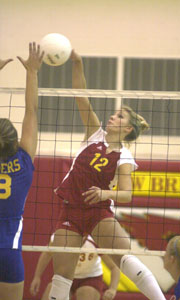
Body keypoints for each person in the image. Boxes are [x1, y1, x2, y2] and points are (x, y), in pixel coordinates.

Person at [48, 50, 166, 300]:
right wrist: (78, 63)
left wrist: (104, 192)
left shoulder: (124, 156)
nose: (113, 116)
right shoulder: (94, 133)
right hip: (70, 209)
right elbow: (81, 95)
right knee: (62, 274)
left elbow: (126, 194)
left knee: (123, 256)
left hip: (97, 210)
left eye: (119, 116)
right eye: (114, 114)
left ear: (128, 128)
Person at [0, 43, 44, 300]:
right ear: (15, 141)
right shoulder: (24, 159)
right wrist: (32, 72)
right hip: (8, 251)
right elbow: (31, 110)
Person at [30, 235, 120, 300]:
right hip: (65, 275)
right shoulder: (61, 236)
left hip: (90, 278)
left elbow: (114, 267)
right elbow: (47, 253)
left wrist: (112, 289)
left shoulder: (95, 241)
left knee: (86, 292)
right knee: (51, 291)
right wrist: (37, 277)